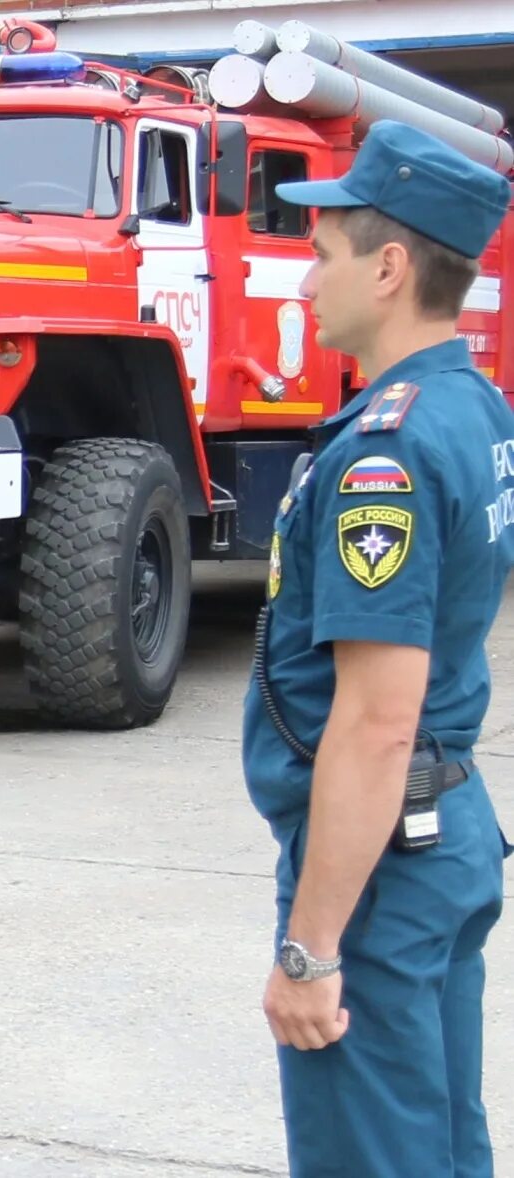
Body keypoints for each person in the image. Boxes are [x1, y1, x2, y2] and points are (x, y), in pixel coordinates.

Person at [243, 120, 514, 1177]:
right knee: (439, 1139)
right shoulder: (472, 404)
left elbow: (374, 720)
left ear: (389, 267)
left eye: (323, 252)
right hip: (440, 833)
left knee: (379, 1153)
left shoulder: (386, 454)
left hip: (383, 859)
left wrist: (310, 950)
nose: (306, 278)